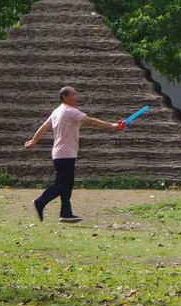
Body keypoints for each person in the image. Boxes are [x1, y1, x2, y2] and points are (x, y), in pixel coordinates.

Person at [25, 86, 122, 223]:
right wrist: (112, 126)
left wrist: (34, 140)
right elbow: (91, 121)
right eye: (73, 95)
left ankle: (66, 213)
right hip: (65, 153)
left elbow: (44, 127)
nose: (76, 97)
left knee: (66, 184)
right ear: (65, 97)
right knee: (63, 184)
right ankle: (40, 202)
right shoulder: (70, 111)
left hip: (60, 153)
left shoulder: (57, 111)